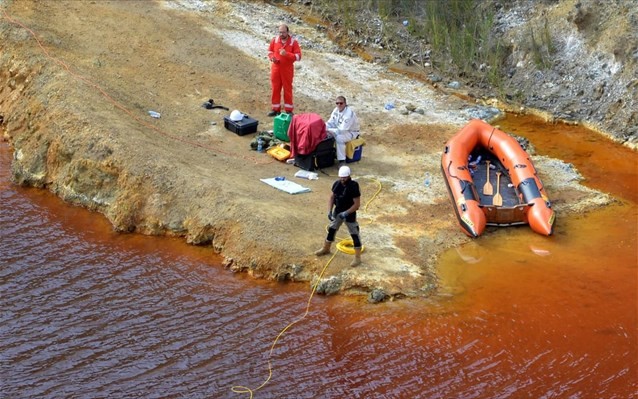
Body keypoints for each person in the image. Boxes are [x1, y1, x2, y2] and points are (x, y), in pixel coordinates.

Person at [315, 165, 363, 267]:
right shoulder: (337, 184)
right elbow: (332, 197)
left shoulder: (353, 186)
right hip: (338, 211)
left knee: (354, 234)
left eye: (344, 178)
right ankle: (326, 248)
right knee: (332, 229)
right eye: (341, 177)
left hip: (349, 213)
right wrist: (329, 211)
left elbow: (356, 204)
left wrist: (346, 213)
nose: (342, 179)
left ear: (349, 176)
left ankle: (357, 258)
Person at [267, 24, 302, 117]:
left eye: (283, 32)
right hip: (276, 68)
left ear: (287, 32)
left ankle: (289, 110)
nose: (281, 34)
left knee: (287, 89)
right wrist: (272, 58)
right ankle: (275, 109)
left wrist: (287, 54)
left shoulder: (293, 42)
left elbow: (298, 57)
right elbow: (269, 51)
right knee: (275, 89)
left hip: (287, 70)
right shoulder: (275, 40)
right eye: (280, 32)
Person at [325, 96, 360, 164]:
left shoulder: (349, 114)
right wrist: (323, 127)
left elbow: (342, 130)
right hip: (339, 129)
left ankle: (342, 160)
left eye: (341, 103)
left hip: (351, 132)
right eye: (337, 103)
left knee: (339, 138)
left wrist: (329, 130)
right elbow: (330, 122)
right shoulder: (336, 110)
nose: (339, 105)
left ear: (345, 104)